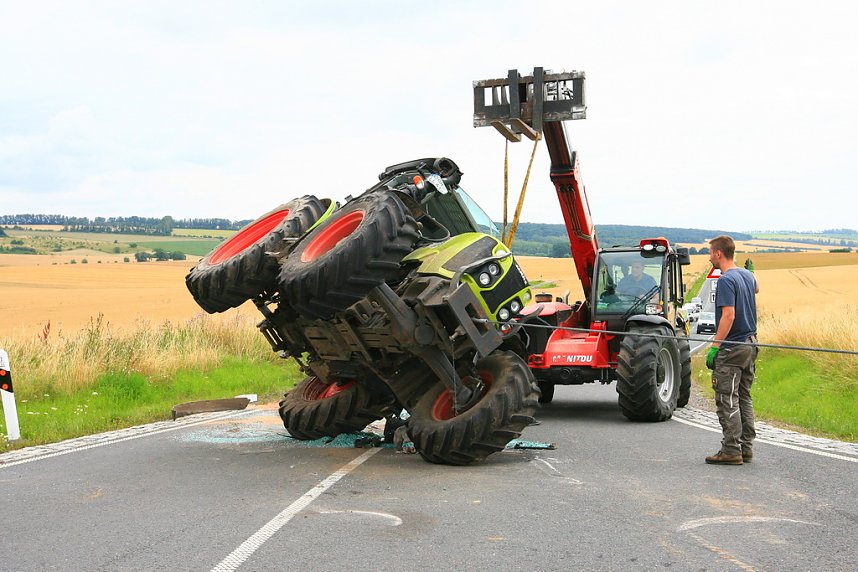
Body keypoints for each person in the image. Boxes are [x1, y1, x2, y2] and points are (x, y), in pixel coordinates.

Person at [705, 235, 759, 465]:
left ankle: (731, 450)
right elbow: (756, 288)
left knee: (727, 399)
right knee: (744, 397)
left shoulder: (726, 280)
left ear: (718, 253)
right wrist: (752, 272)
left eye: (710, 253)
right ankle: (746, 448)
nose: (709, 258)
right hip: (751, 344)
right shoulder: (746, 275)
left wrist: (715, 347)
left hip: (732, 349)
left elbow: (729, 315)